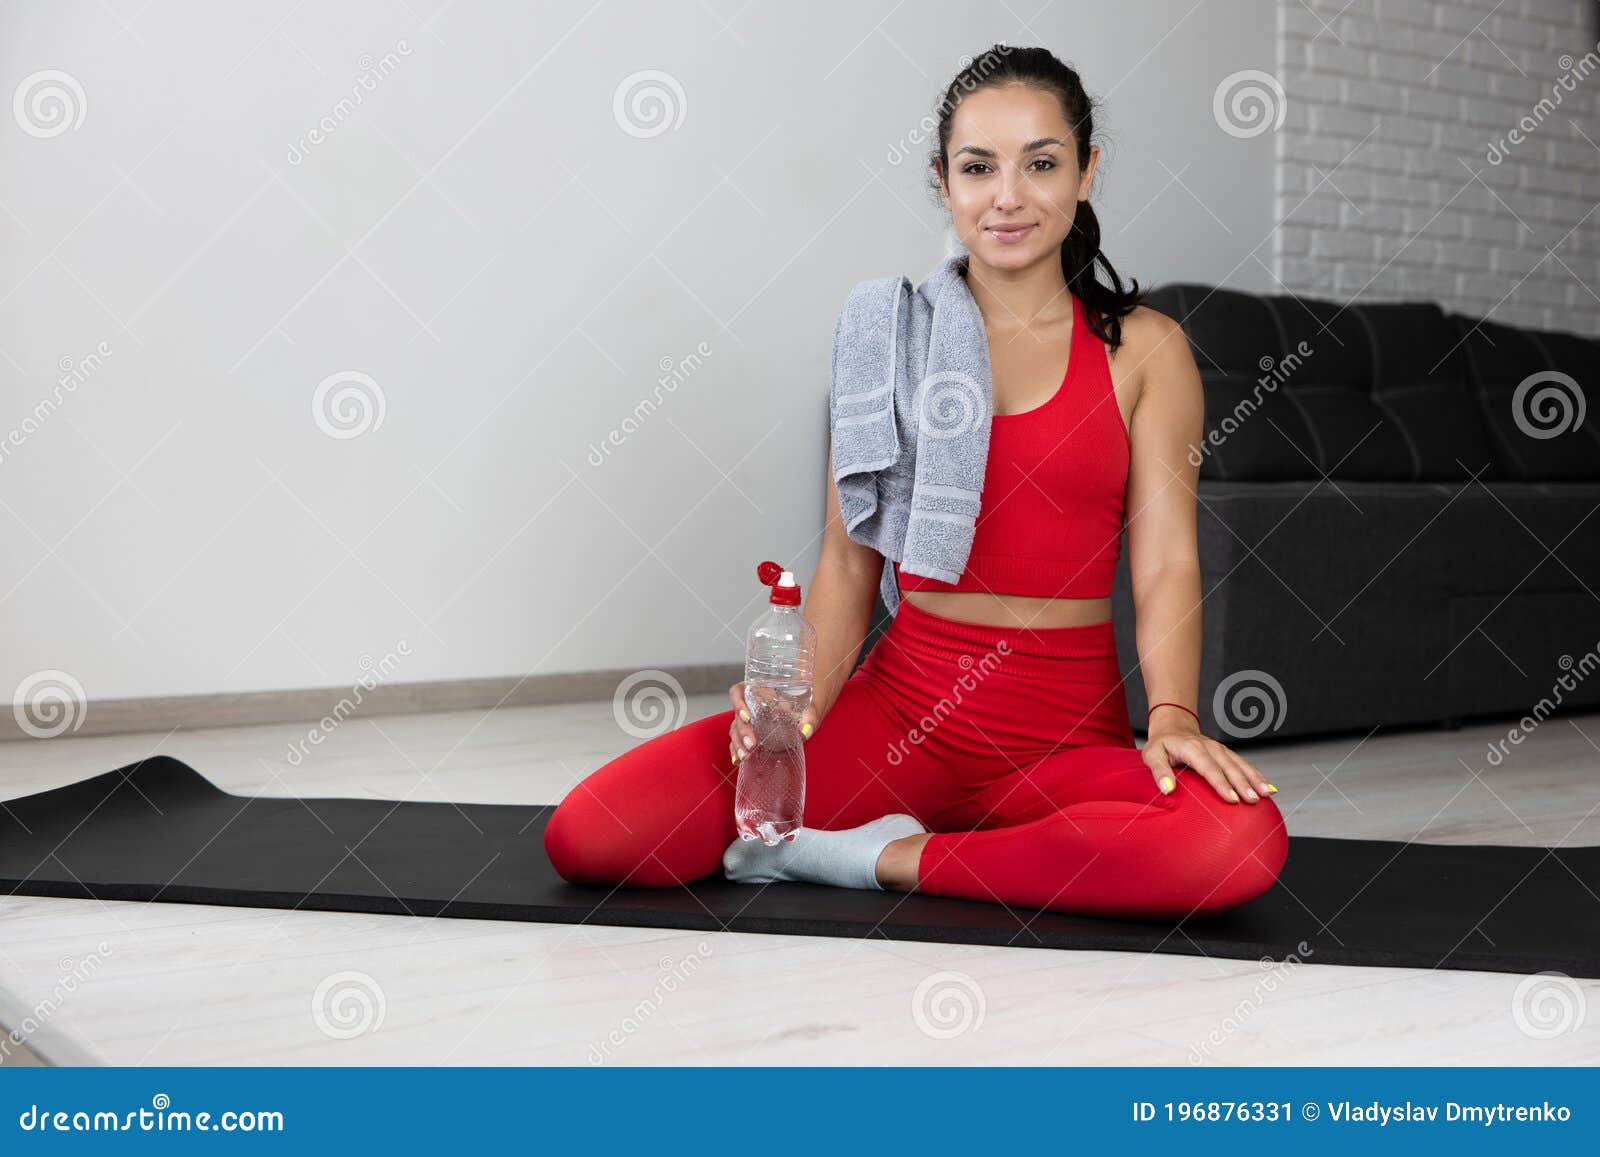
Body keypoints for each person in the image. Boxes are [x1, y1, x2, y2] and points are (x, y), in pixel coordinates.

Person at [544, 44, 1289, 920]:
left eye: (1040, 164)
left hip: (1062, 740)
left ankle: (882, 857)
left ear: (1087, 172)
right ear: (944, 181)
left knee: (1235, 841)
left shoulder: (1146, 351)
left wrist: (1171, 719)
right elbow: (848, 563)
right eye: (978, 168)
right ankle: (969, 852)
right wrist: (794, 717)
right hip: (899, 719)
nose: (1007, 196)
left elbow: (1164, 563)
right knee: (592, 833)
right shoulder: (884, 338)